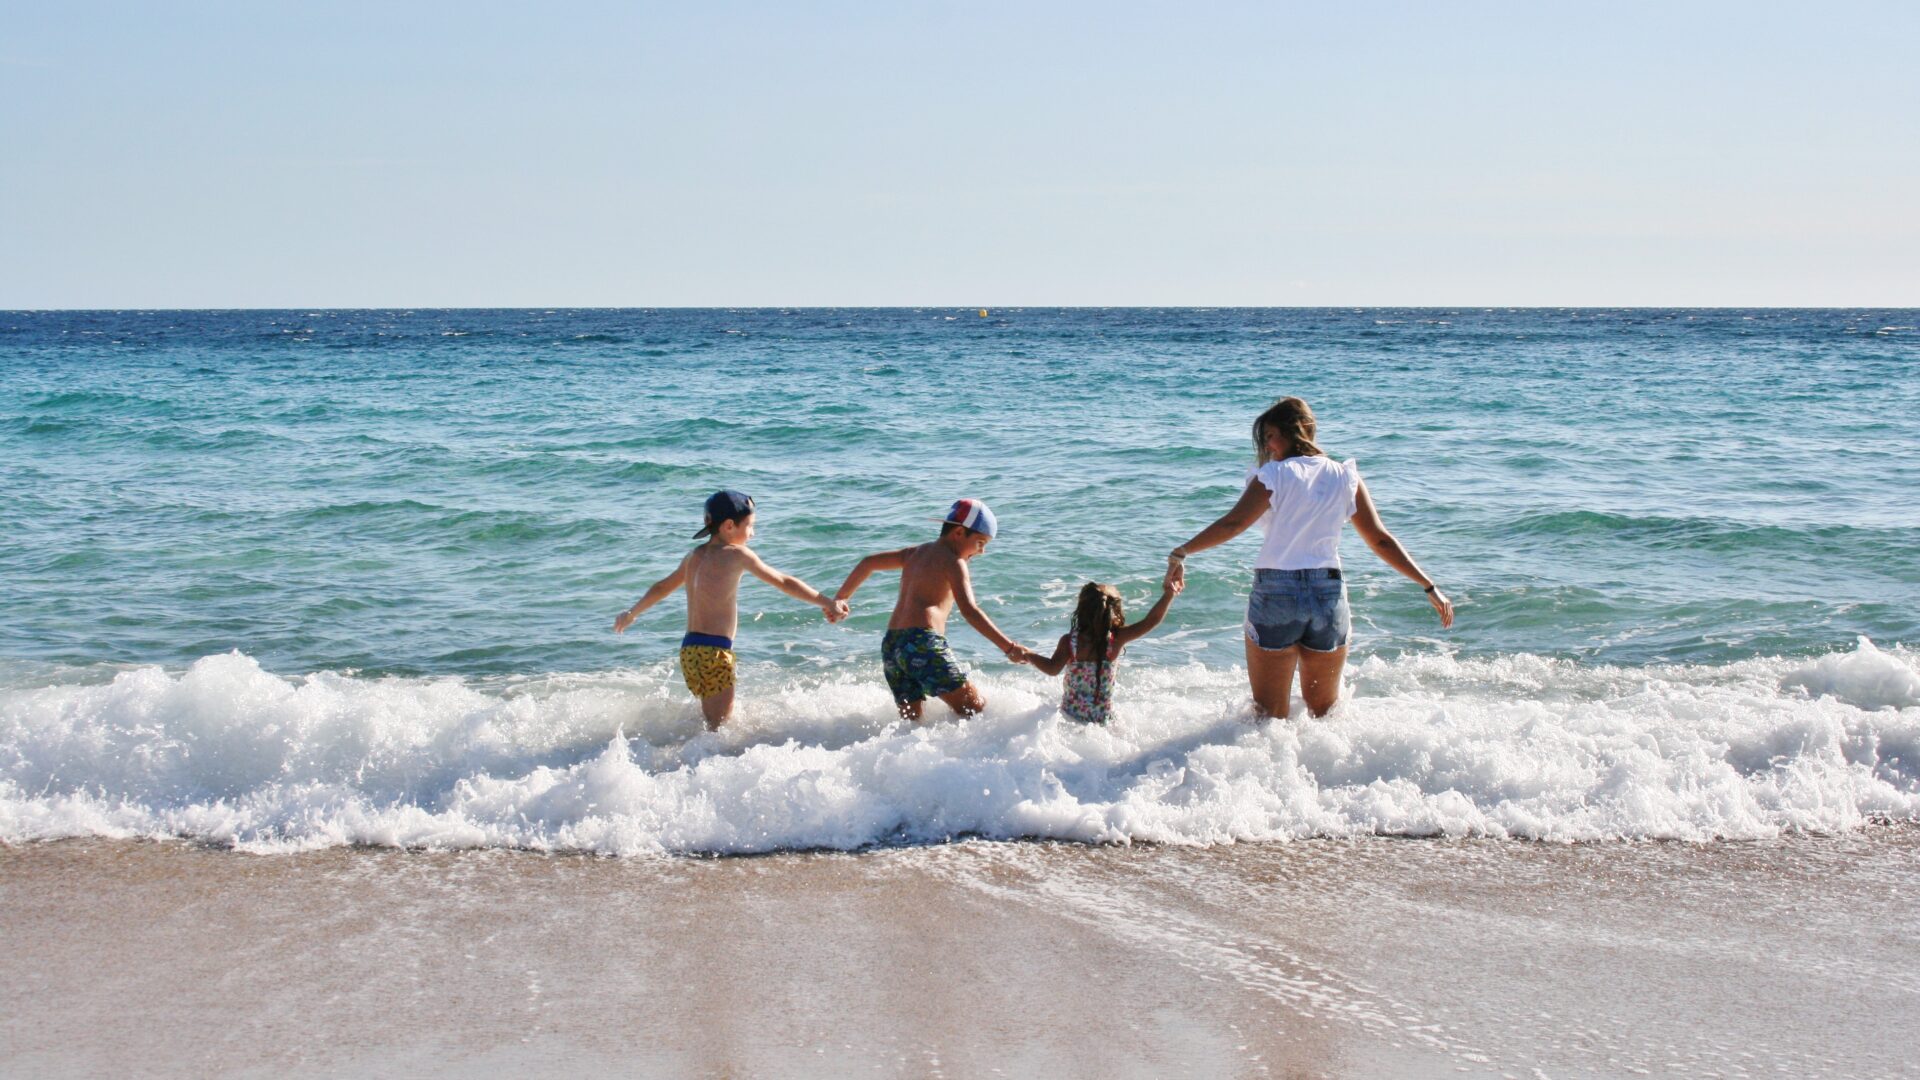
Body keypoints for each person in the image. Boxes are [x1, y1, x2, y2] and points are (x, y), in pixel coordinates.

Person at [1167, 397, 1453, 720]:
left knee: (1268, 718)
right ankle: (1325, 769)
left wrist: (1182, 552)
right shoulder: (1344, 477)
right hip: (1327, 596)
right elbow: (1380, 539)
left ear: (1295, 431)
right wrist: (1429, 586)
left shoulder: (1273, 476)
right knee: (1325, 715)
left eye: (1271, 435)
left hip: (1277, 594)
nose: (1268, 445)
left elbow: (1233, 523)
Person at [613, 490, 848, 729]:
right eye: (749, 526)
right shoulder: (738, 554)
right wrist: (828, 602)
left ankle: (690, 756)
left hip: (690, 652)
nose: (752, 533)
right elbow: (783, 582)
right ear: (728, 526)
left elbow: (662, 587)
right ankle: (700, 762)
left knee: (711, 720)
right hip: (715, 652)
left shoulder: (694, 556)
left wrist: (632, 613)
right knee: (720, 728)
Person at [833, 499, 1032, 721]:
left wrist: (842, 597)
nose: (982, 551)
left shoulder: (914, 553)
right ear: (958, 533)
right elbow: (970, 611)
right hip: (922, 643)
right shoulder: (954, 562)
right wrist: (1009, 647)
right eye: (980, 542)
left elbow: (868, 563)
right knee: (974, 710)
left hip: (892, 645)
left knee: (912, 722)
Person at [1027, 570, 1183, 724]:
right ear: (1115, 611)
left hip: (1069, 720)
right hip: (1103, 721)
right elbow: (1152, 620)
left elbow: (1052, 669)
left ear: (1082, 610)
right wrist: (1169, 593)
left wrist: (1028, 655)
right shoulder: (1117, 639)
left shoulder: (1070, 642)